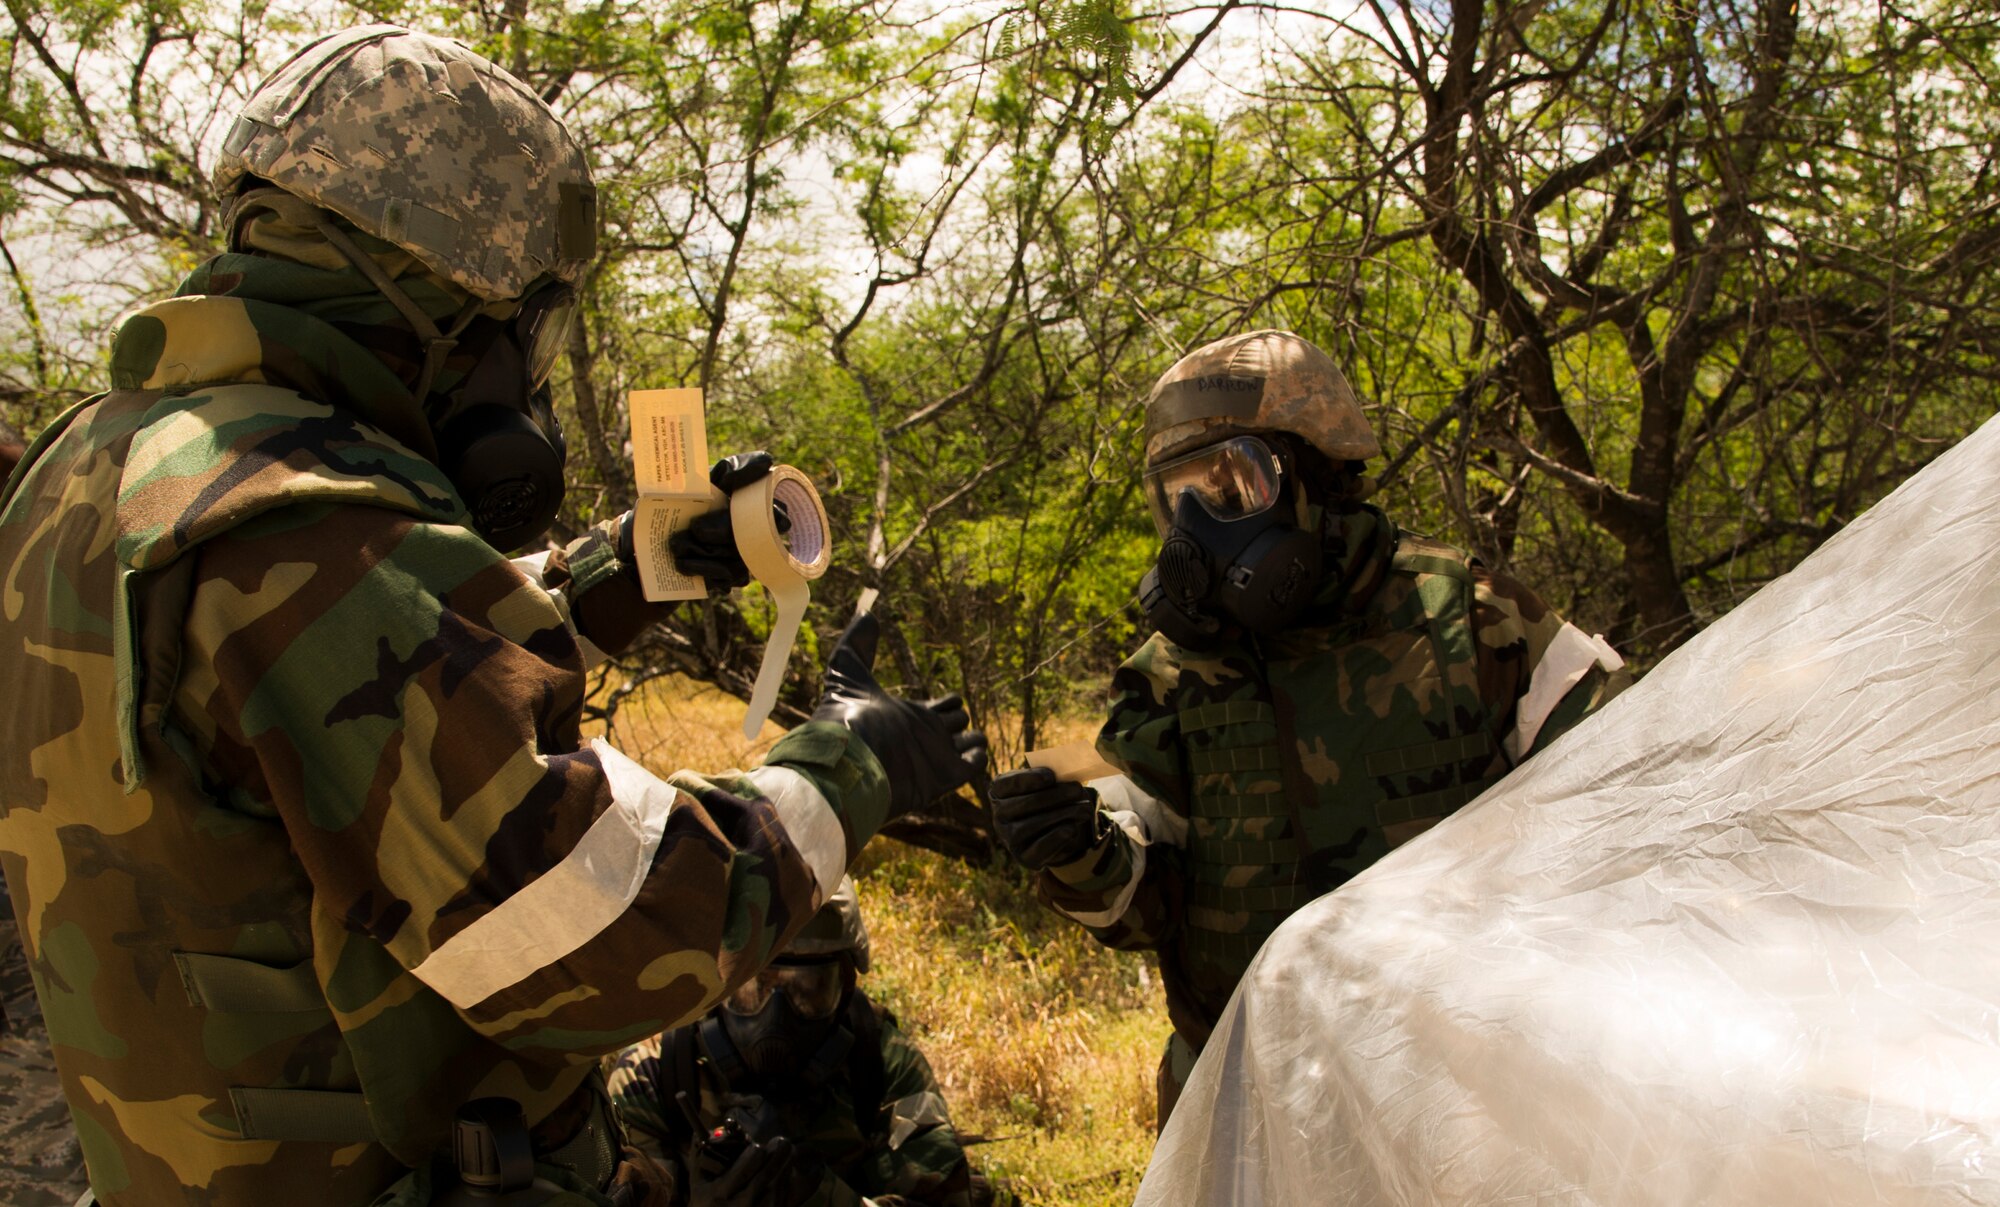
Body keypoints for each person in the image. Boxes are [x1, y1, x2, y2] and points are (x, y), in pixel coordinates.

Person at [0, 25, 983, 1207]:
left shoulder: (95, 466)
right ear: (446, 306)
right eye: (528, 331)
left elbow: (346, 705)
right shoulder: (300, 524)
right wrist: (851, 765)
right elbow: (612, 926)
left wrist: (629, 567)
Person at [988, 330, 1628, 1128]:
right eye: (1178, 496)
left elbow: (1625, 803)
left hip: (1462, 1096)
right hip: (1246, 1096)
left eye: (1230, 487)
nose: (1199, 527)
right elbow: (1141, 901)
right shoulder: (1168, 675)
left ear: (1320, 473)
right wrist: (1075, 852)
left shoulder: (1469, 614)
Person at [605, 879, 990, 1207]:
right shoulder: (656, 1072)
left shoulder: (880, 1060)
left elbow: (945, 1197)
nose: (775, 1018)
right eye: (753, 989)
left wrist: (822, 1198)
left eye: (807, 990)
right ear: (718, 980)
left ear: (845, 987)